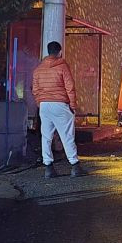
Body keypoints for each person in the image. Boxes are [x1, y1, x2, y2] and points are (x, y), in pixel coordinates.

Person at [32, 41, 86, 178]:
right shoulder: (62, 67)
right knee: (67, 135)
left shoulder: (38, 69)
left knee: (46, 136)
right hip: (60, 104)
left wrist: (40, 103)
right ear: (59, 52)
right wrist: (73, 106)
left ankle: (48, 168)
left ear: (48, 52)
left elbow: (35, 90)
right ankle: (75, 166)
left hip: (44, 105)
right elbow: (70, 87)